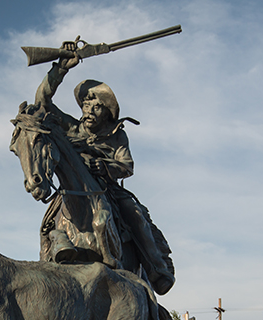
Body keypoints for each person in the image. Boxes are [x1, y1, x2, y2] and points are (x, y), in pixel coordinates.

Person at [34, 49, 175, 295]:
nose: (89, 111)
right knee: (48, 224)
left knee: (135, 214)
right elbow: (42, 102)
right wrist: (61, 69)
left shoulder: (117, 135)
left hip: (106, 188)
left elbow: (127, 166)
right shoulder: (71, 127)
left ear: (106, 113)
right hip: (72, 188)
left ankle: (157, 268)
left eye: (97, 107)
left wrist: (107, 167)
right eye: (86, 105)